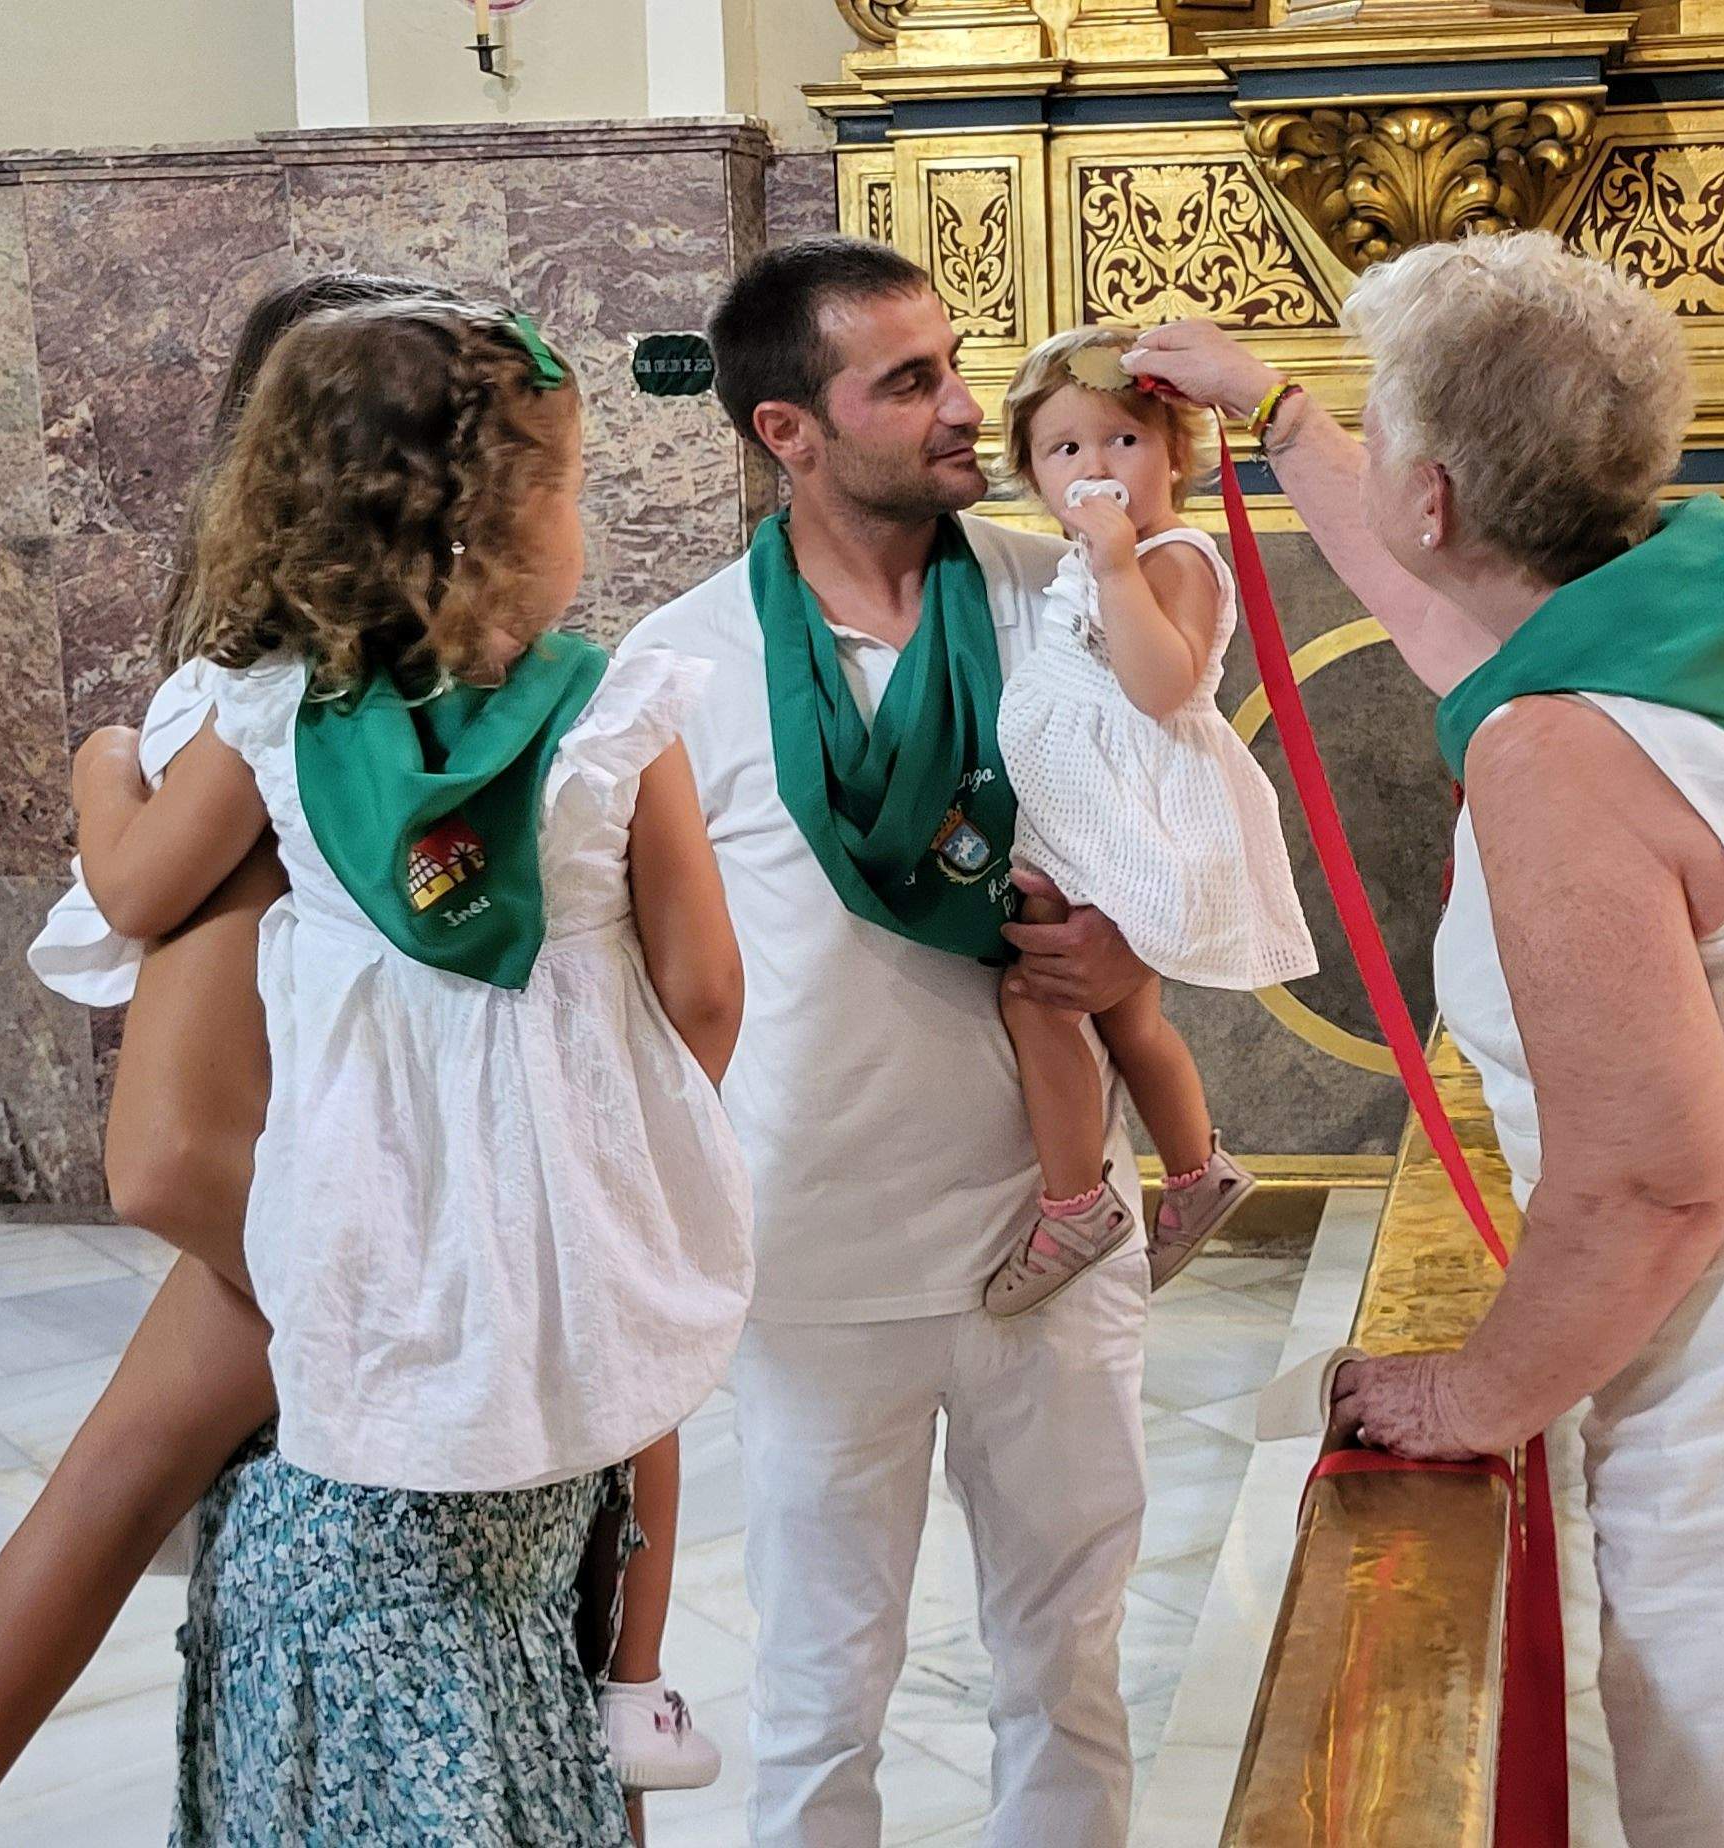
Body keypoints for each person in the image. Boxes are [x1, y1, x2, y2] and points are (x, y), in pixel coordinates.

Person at [1131, 235, 1724, 1848]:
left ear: (1435, 495)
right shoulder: (1692, 585)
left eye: (1382, 425)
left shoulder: (1559, 755)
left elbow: (1656, 1180)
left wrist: (1475, 1391)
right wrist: (1278, 414)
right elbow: (1453, 615)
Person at [0, 274, 726, 1846]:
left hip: (367, 1210)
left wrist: (94, 766)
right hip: (339, 1218)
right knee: (139, 1491)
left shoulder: (275, 714)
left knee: (142, 1491)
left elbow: (129, 890)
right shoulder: (475, 710)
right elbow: (165, 1150)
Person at [622, 236, 1157, 1848]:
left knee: (1066, 1671)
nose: (966, 411)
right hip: (814, 1270)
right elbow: (635, 997)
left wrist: (1137, 944)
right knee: (821, 1694)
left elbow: (1189, 830)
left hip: (1047, 1243)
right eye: (909, 381)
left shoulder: (1058, 600)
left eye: (956, 366)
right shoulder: (681, 670)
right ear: (789, 429)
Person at [980, 326, 1314, 1315]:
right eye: (1064, 450)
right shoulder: (1086, 559)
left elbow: (1161, 686)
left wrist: (1119, 567)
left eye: (1121, 441)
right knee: (1125, 1016)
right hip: (1086, 797)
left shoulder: (1170, 556)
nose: (1094, 469)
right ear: (1033, 475)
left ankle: (1075, 1202)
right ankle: (1196, 1170)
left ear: (1175, 452)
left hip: (1138, 805)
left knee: (1039, 1002)